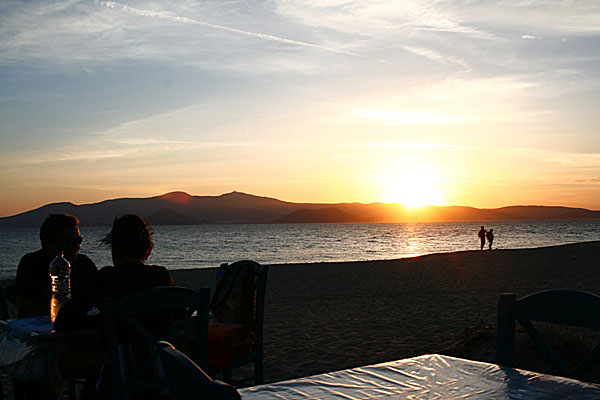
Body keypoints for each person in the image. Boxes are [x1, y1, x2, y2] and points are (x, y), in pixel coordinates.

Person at [55, 214, 174, 400]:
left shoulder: (106, 278)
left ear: (114, 248)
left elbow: (64, 321)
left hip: (117, 372)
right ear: (147, 249)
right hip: (163, 371)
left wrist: (101, 321)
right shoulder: (162, 277)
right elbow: (174, 318)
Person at [15, 214, 98, 318]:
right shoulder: (31, 264)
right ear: (49, 244)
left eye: (79, 240)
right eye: (70, 241)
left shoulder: (84, 264)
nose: (77, 245)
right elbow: (25, 308)